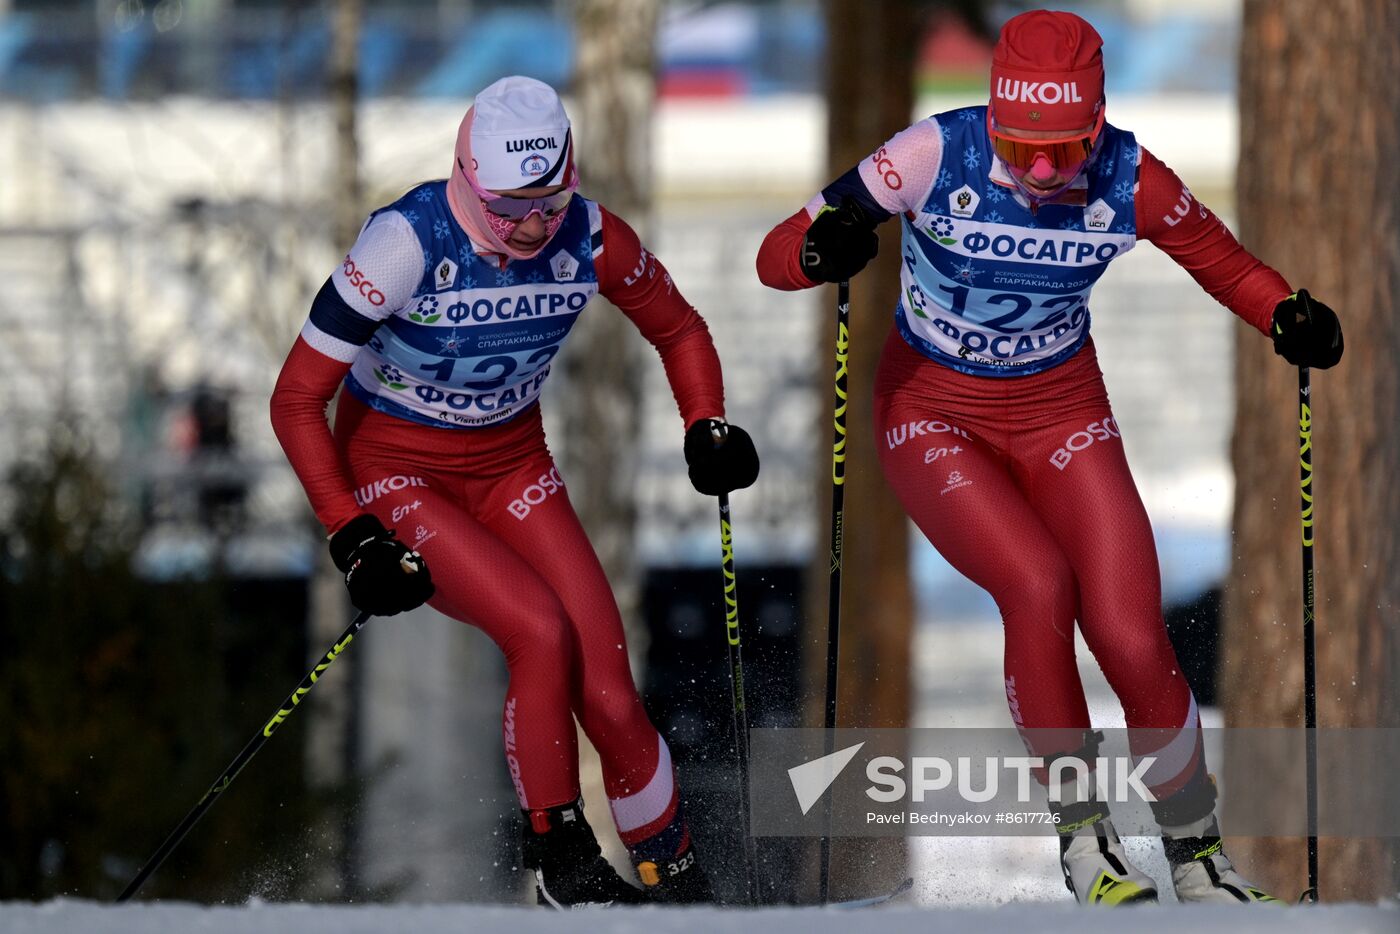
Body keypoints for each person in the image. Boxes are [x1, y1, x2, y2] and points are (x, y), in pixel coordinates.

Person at [757, 10, 1341, 906]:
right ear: (990, 113)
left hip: (1061, 408)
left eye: (1061, 150)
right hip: (932, 411)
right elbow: (773, 257)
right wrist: (814, 248)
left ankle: (1198, 854)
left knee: (1133, 636)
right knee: (1036, 585)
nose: (1035, 171)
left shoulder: (1131, 176)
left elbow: (1222, 262)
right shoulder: (929, 154)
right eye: (1017, 144)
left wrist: (1284, 313)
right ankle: (1084, 843)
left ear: (1096, 125)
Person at [271, 76, 758, 908]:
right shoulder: (405, 243)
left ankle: (678, 880)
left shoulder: (592, 235)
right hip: (396, 470)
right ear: (467, 180)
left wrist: (705, 424)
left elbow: (679, 327)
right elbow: (294, 399)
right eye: (511, 210)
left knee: (607, 686)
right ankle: (561, 860)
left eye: (552, 200)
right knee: (538, 630)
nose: (535, 226)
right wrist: (351, 533)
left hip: (511, 465)